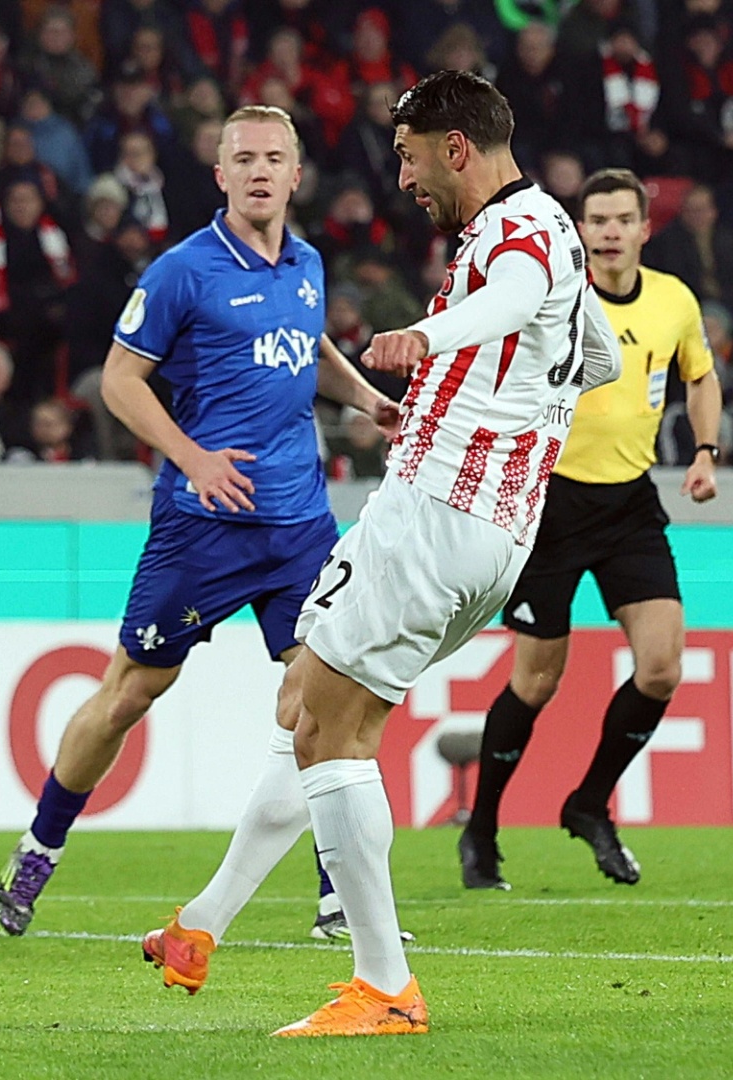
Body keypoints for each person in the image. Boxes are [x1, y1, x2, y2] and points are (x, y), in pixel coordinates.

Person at [0, 105, 402, 965]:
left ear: (296, 175)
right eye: (243, 158)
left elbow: (309, 342)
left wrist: (363, 398)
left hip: (298, 524)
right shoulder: (183, 271)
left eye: (274, 158)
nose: (259, 171)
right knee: (130, 694)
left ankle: (337, 893)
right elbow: (117, 381)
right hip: (201, 527)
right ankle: (40, 847)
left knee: (330, 698)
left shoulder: (308, 264)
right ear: (219, 175)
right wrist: (193, 456)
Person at [273, 71, 620, 1037]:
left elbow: (505, 303)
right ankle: (211, 922)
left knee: (325, 732)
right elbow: (603, 359)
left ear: (455, 146)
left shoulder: (517, 238)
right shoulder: (554, 231)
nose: (403, 177)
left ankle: (382, 987)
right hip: (496, 531)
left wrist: (428, 336)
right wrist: (517, 412)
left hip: (438, 512)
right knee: (311, 706)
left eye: (410, 156)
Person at [459, 168, 723, 893]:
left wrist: (704, 452)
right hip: (550, 504)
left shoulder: (674, 300)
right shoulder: (550, 296)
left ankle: (587, 803)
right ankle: (481, 828)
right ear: (580, 230)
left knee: (663, 664)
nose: (607, 231)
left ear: (644, 228)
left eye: (620, 219)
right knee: (537, 680)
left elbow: (699, 375)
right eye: (595, 219)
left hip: (629, 504)